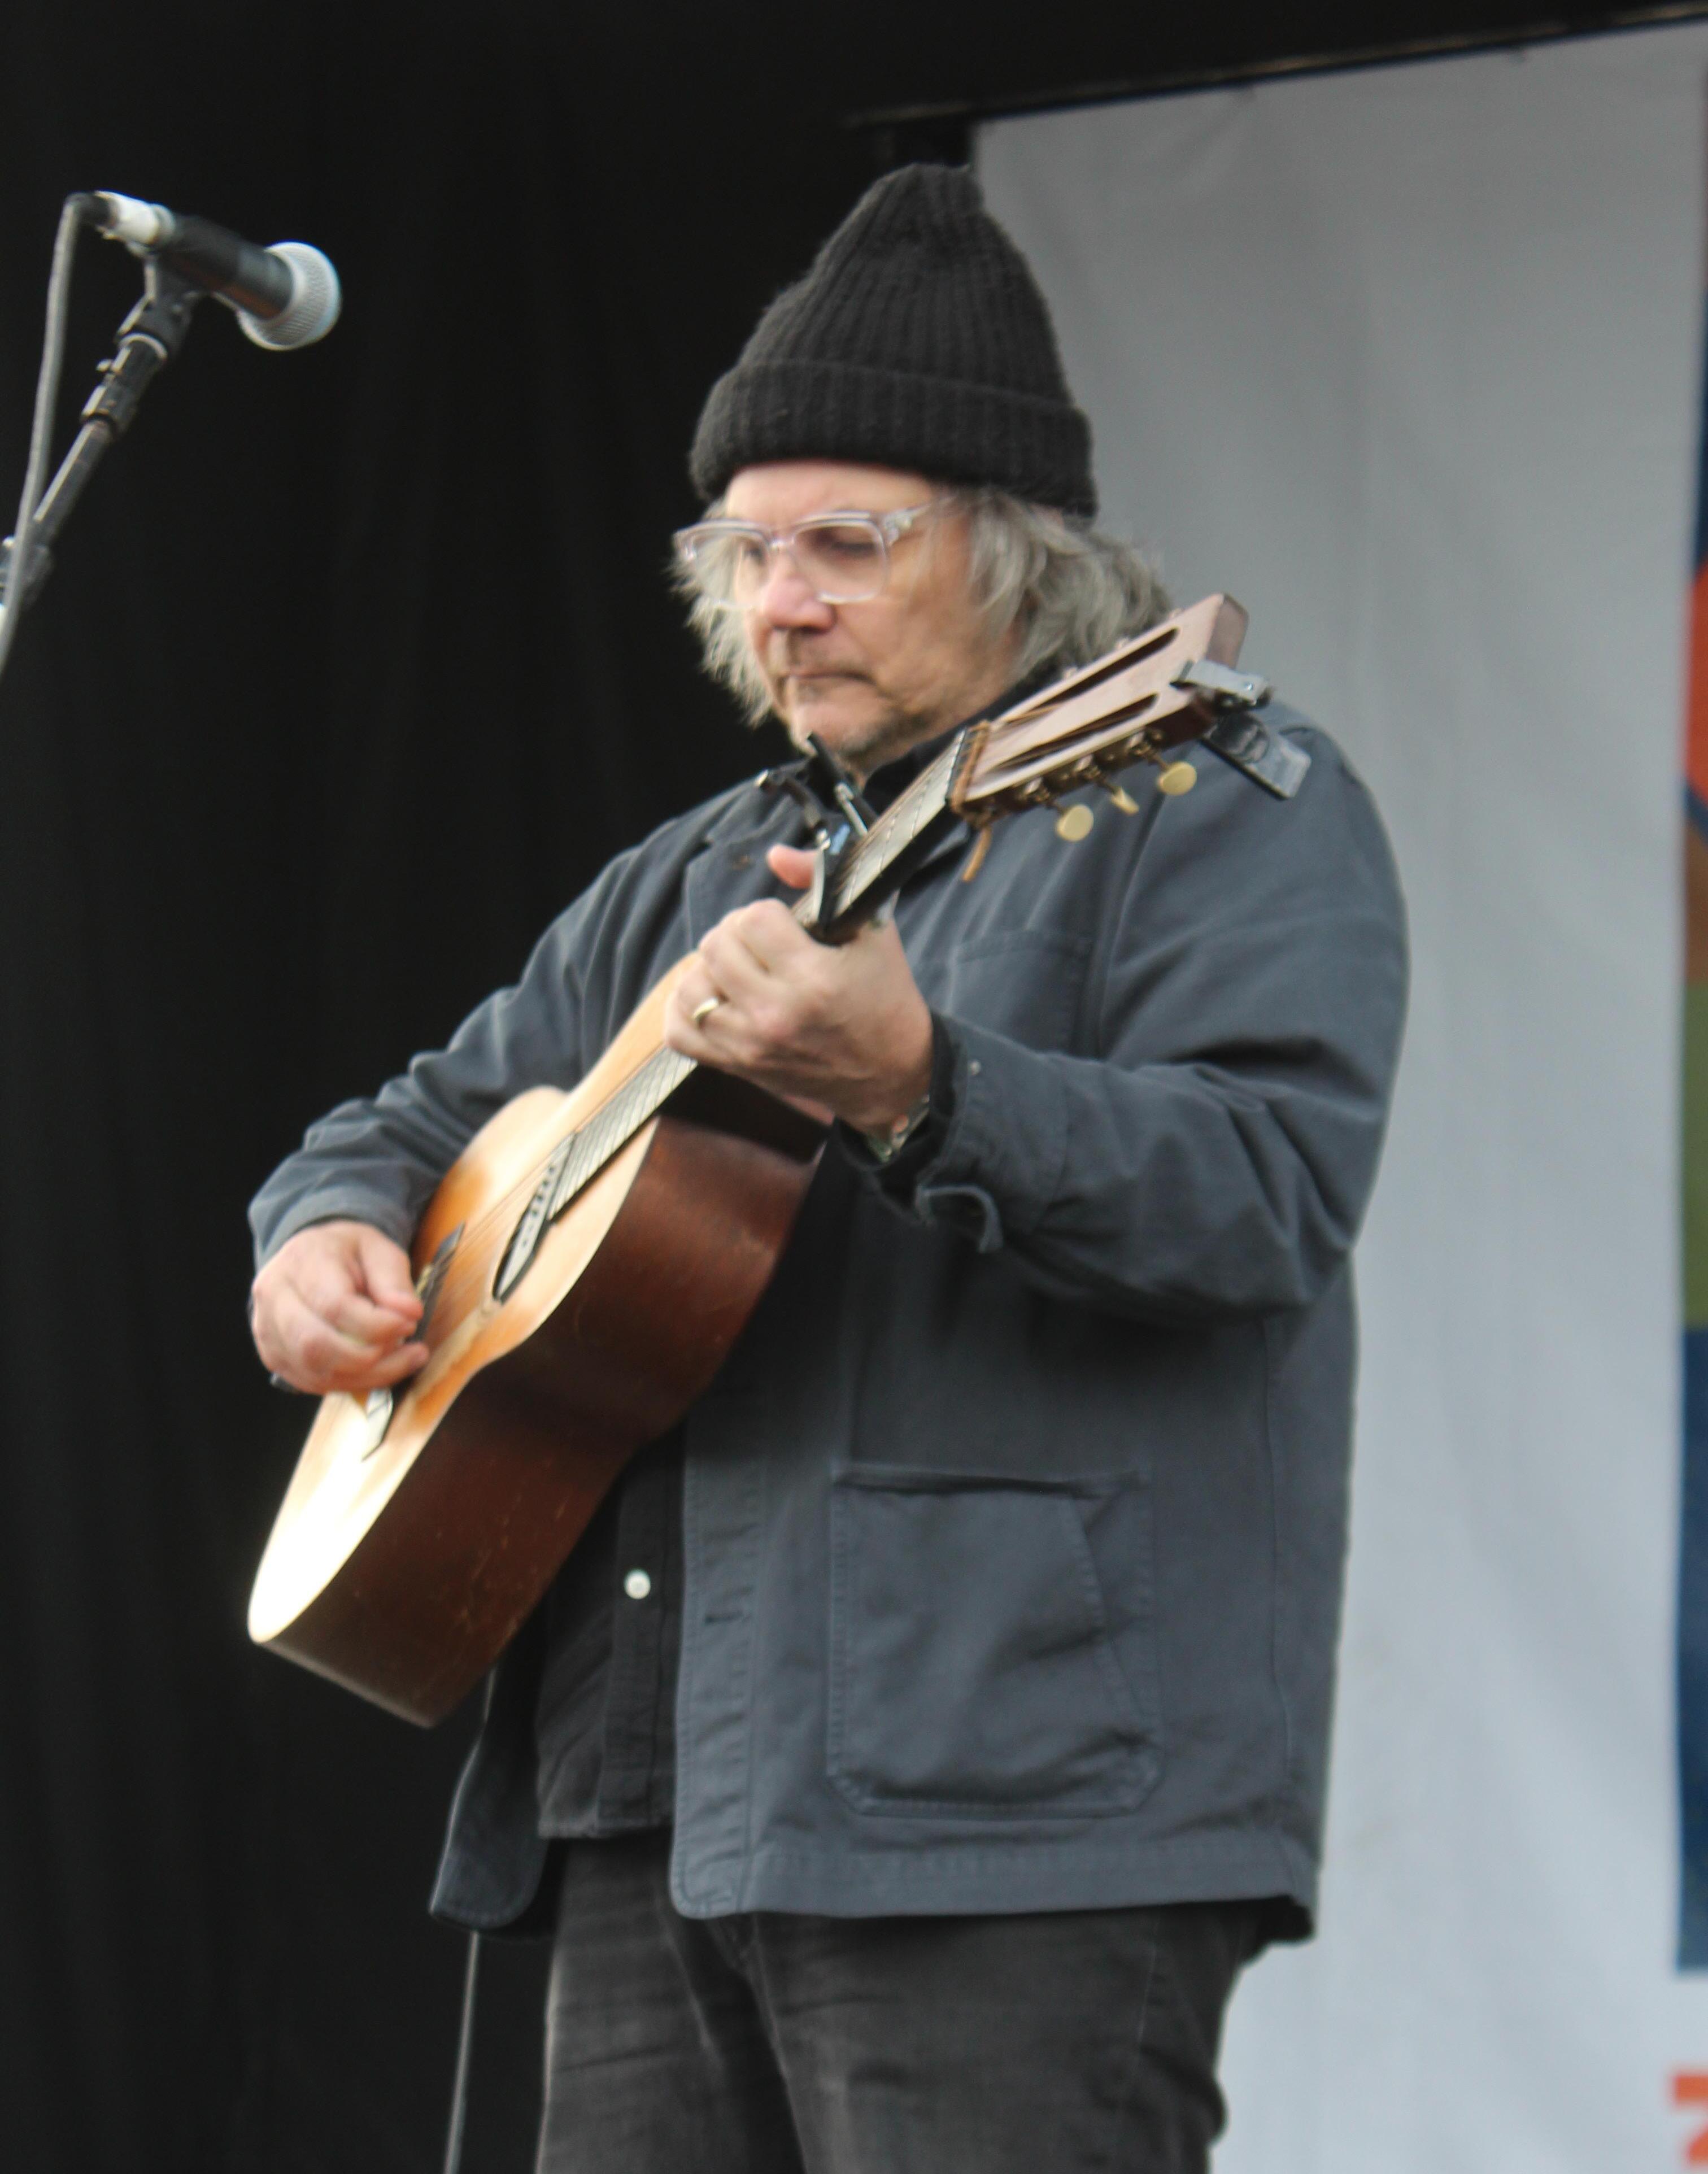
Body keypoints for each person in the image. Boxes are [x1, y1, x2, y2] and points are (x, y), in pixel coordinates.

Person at [248, 164, 1408, 2174]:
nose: (781, 602)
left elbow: (1263, 1191)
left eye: (847, 546)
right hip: (650, 1792)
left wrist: (924, 1085)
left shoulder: (1209, 804)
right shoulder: (695, 874)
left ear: (1023, 551)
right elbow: (412, 1121)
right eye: (747, 551)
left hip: (1013, 1800)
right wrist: (321, 1233)